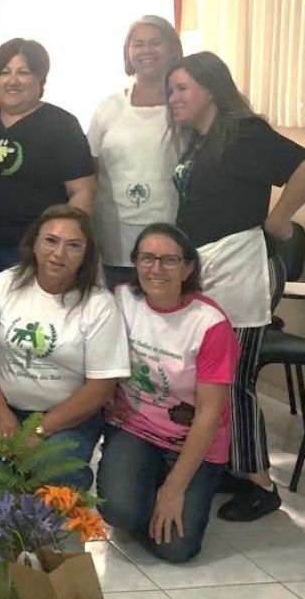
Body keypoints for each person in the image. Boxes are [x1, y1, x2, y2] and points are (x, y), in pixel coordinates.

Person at [168, 51, 305, 521]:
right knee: (211, 381)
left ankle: (260, 482)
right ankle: (233, 467)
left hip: (237, 273)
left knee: (233, 384)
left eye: (182, 89)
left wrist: (279, 219)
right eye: (171, 90)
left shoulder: (243, 132)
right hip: (208, 270)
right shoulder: (203, 138)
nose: (172, 98)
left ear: (210, 89)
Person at [97, 223, 239, 562]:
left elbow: (208, 413)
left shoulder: (210, 324)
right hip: (135, 428)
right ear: (134, 262)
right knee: (119, 513)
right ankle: (145, 486)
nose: (156, 268)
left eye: (169, 260)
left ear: (188, 267)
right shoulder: (122, 299)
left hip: (190, 441)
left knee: (176, 549)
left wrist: (174, 490)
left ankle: (179, 484)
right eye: (146, 258)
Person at [0, 205, 129, 490]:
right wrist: (0, 411)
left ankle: (47, 522)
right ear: (34, 244)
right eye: (50, 240)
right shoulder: (3, 285)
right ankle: (4, 521)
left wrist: (41, 430)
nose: (59, 253)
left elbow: (101, 387)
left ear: (87, 254)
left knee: (52, 469)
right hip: (7, 408)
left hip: (69, 418)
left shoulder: (99, 304)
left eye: (73, 245)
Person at [0, 38, 95, 292]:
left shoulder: (62, 124)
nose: (12, 80)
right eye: (4, 72)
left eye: (23, 72)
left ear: (41, 81)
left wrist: (64, 247)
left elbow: (82, 191)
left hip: (33, 251)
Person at [89, 16, 183, 289]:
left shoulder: (183, 106)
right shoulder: (109, 107)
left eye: (155, 43)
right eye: (138, 44)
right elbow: (89, 171)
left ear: (173, 50)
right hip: (114, 241)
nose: (146, 51)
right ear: (128, 53)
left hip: (170, 239)